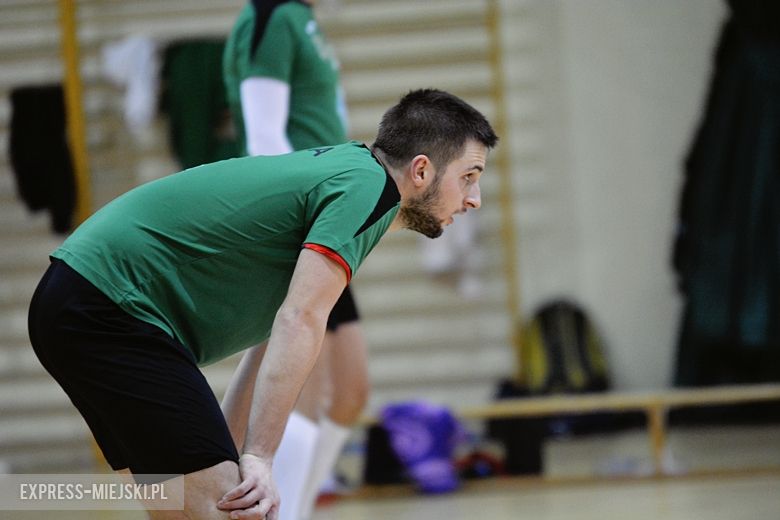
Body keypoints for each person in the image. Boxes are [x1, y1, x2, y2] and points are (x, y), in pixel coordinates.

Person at [28, 88, 498, 519]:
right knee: (233, 512)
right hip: (111, 307)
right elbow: (299, 321)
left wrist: (244, 456)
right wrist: (260, 459)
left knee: (183, 507)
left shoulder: (352, 178)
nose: (473, 199)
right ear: (421, 171)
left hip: (81, 301)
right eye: (468, 177)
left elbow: (271, 338)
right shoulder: (369, 191)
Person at [222, 2, 365, 518]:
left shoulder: (301, 18)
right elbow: (264, 138)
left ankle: (299, 502)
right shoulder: (271, 15)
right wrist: (300, 229)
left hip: (333, 220)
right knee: (299, 393)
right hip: (305, 225)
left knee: (351, 390)